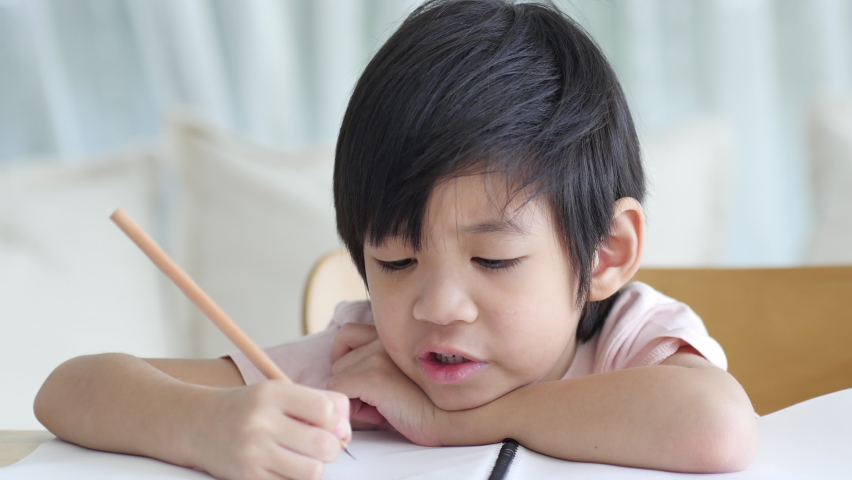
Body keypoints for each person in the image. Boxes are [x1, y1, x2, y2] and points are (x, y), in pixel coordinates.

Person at [35, 1, 758, 478]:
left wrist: (452, 423)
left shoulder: (636, 342)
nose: (436, 306)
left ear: (605, 254)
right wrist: (206, 426)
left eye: (493, 259)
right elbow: (67, 391)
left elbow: (717, 427)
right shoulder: (364, 367)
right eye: (396, 259)